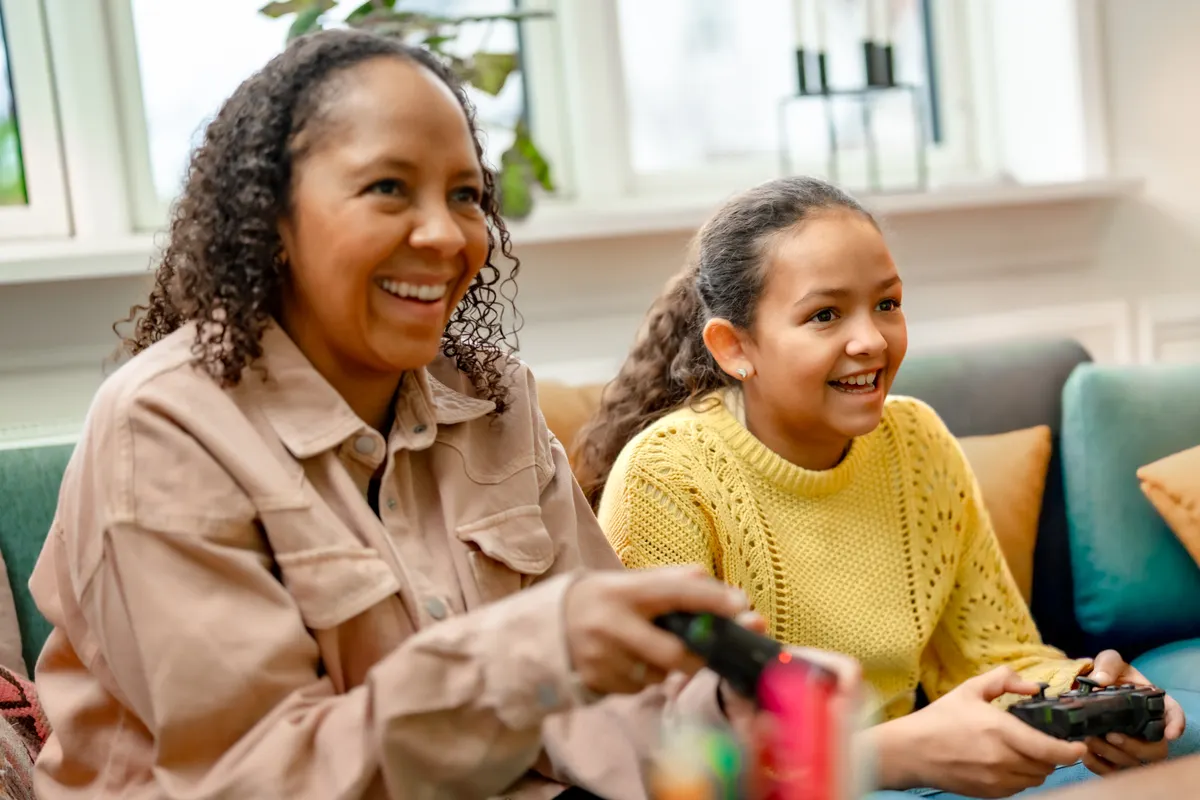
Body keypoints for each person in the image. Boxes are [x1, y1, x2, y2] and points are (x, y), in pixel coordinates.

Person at [26, 32, 859, 800]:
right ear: (270, 217)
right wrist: (541, 653)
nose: (446, 234)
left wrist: (725, 708)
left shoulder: (491, 400)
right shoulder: (164, 429)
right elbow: (259, 777)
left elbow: (599, 706)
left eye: (466, 194)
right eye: (388, 188)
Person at [573, 176, 1197, 799]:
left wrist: (1095, 695)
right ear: (734, 346)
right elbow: (657, 757)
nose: (871, 340)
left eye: (888, 304)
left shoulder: (918, 439)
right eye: (825, 315)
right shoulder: (666, 479)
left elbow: (992, 652)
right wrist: (896, 755)